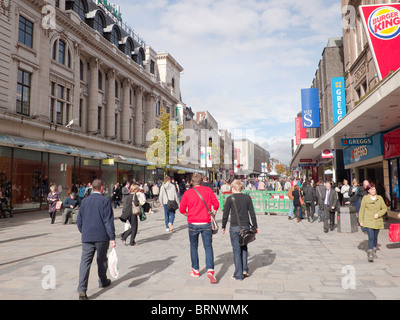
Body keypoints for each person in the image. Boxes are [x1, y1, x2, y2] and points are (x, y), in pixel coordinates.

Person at [76, 179, 116, 300]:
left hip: (87, 236)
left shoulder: (85, 201)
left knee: (85, 262)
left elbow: (79, 220)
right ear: (102, 188)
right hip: (101, 236)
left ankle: (82, 289)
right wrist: (112, 237)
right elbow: (108, 221)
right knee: (102, 259)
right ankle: (102, 281)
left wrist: (84, 231)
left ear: (92, 188)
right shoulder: (105, 201)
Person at [179, 174, 219, 284]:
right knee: (208, 246)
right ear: (201, 182)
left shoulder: (188, 193)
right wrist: (213, 213)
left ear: (191, 182)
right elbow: (216, 204)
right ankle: (210, 269)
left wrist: (187, 214)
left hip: (193, 222)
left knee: (193, 246)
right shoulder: (208, 190)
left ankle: (195, 270)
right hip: (206, 222)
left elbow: (181, 209)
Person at [221, 179, 258, 280]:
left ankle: (238, 274)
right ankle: (245, 269)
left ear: (233, 188)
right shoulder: (247, 198)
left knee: (236, 250)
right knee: (244, 247)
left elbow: (225, 215)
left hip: (234, 227)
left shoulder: (229, 199)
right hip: (245, 226)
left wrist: (223, 226)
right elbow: (252, 213)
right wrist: (255, 226)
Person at [359, 183, 387, 262]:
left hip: (377, 221)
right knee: (370, 237)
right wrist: (361, 221)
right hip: (368, 221)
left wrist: (378, 214)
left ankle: (374, 250)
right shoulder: (365, 198)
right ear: (368, 190)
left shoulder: (380, 198)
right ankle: (370, 253)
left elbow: (384, 209)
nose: (373, 191)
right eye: (371, 189)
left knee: (375, 237)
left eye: (374, 189)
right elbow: (361, 210)